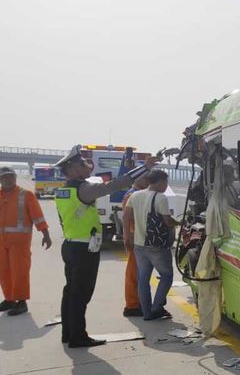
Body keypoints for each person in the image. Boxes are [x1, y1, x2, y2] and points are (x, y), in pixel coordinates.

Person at [55, 145, 159, 348]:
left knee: (70, 291)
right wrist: (144, 168)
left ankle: (68, 333)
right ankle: (78, 336)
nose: (88, 166)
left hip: (70, 245)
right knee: (81, 293)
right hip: (84, 249)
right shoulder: (83, 189)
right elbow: (115, 185)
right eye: (83, 163)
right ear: (73, 168)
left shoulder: (63, 191)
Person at [123, 169, 179, 321]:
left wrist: (126, 236)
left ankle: (147, 313)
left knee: (143, 279)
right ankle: (157, 307)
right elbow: (167, 221)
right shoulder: (160, 198)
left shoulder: (135, 195)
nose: (166, 186)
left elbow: (126, 217)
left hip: (139, 245)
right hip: (156, 246)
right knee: (166, 276)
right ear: (161, 182)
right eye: (166, 182)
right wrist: (179, 222)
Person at [0, 166, 52, 316]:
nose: (8, 179)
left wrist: (46, 234)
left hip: (19, 243)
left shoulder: (26, 195)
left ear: (15, 178)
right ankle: (9, 299)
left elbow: (37, 216)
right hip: (1, 243)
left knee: (19, 272)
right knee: (4, 272)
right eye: (4, 177)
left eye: (10, 176)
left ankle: (21, 302)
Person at [122, 175, 149, 317]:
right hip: (134, 236)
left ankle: (137, 302)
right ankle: (132, 305)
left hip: (137, 236)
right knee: (133, 273)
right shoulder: (132, 195)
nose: (147, 182)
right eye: (145, 179)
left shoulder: (135, 194)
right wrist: (127, 236)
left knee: (138, 273)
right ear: (138, 180)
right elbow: (127, 217)